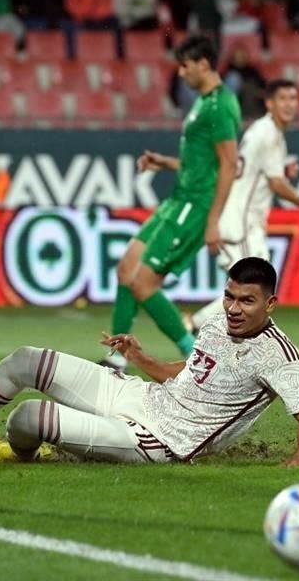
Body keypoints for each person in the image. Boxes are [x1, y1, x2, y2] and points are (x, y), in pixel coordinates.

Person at [0, 257, 299, 466]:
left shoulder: (280, 355)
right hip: (142, 397)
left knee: (27, 418)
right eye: (229, 295)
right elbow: (188, 372)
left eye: (246, 301)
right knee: (25, 360)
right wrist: (139, 356)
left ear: (270, 303)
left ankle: (28, 455)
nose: (233, 307)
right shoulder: (216, 322)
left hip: (159, 441)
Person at [107, 34, 241, 369]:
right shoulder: (204, 103)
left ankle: (199, 358)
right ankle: (116, 361)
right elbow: (203, 162)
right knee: (126, 269)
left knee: (143, 283)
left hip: (194, 206)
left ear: (204, 64)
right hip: (178, 198)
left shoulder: (220, 107)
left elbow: (229, 163)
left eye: (185, 66)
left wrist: (212, 221)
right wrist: (165, 163)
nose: (181, 73)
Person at [187, 80, 299, 333]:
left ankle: (201, 326)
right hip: (239, 221)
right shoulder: (268, 134)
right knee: (251, 285)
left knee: (254, 285)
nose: (289, 104)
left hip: (245, 220)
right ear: (269, 103)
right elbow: (276, 184)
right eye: (283, 98)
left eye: (293, 98)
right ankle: (194, 325)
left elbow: (257, 171)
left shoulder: (265, 131)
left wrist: (282, 170)